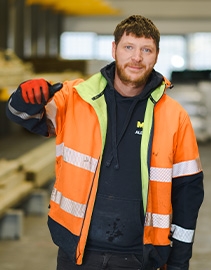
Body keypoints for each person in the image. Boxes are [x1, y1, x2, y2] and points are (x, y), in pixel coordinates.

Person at [6, 15, 204, 270]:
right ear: (114, 49)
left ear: (156, 56)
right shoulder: (77, 97)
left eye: (146, 50)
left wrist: (179, 262)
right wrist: (24, 97)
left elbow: (188, 191)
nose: (136, 57)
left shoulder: (174, 116)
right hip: (76, 252)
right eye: (128, 47)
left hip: (138, 257)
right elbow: (22, 116)